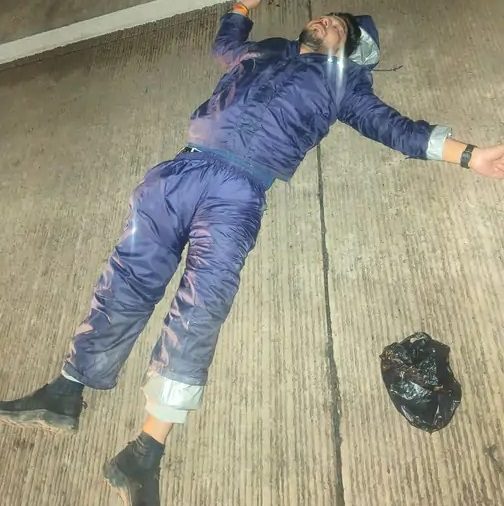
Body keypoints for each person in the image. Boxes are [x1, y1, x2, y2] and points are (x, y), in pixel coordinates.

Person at [1, 1, 503, 505]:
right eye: (327, 16)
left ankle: (145, 451)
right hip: (176, 173)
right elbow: (225, 45)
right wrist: (242, 7)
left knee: (201, 307)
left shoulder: (343, 82)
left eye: (340, 27)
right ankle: (67, 388)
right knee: (124, 277)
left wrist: (471, 156)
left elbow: (397, 128)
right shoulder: (263, 51)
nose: (327, 20)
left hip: (237, 193)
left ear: (348, 50)